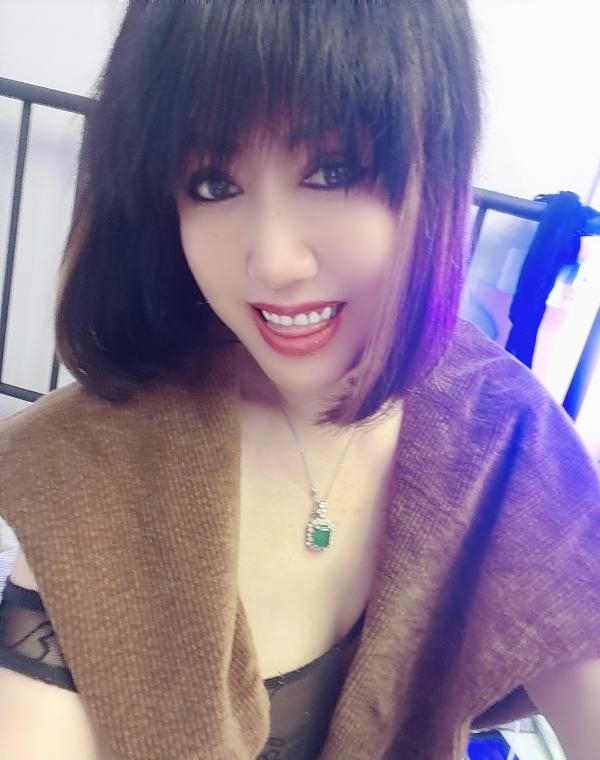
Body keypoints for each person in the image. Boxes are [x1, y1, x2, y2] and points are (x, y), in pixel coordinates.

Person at [1, 2, 599, 759]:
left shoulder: (507, 433)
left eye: (332, 171)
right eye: (213, 184)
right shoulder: (98, 469)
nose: (274, 261)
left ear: (435, 165)